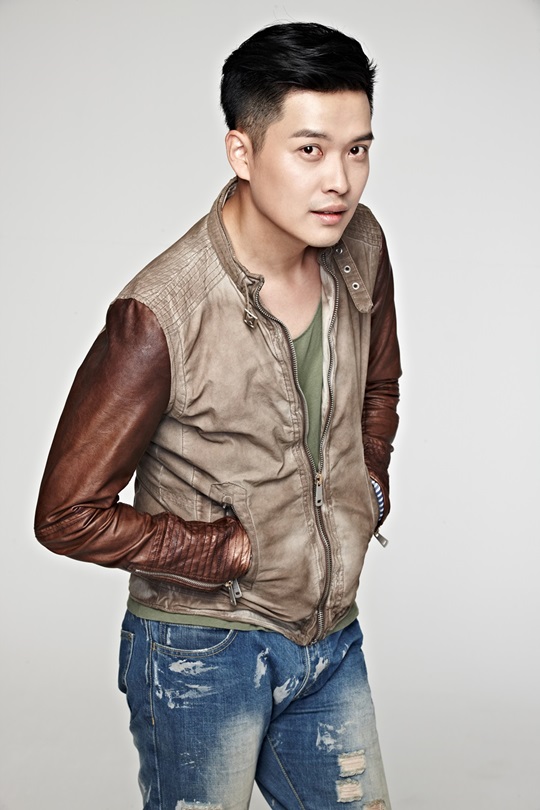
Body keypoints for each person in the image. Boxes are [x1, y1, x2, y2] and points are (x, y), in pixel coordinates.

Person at [35, 21, 401, 810]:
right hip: (201, 651)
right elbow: (66, 514)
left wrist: (368, 482)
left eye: (358, 149)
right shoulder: (161, 312)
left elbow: (380, 382)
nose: (340, 180)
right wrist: (219, 551)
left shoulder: (361, 248)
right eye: (310, 150)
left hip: (330, 635)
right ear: (242, 151)